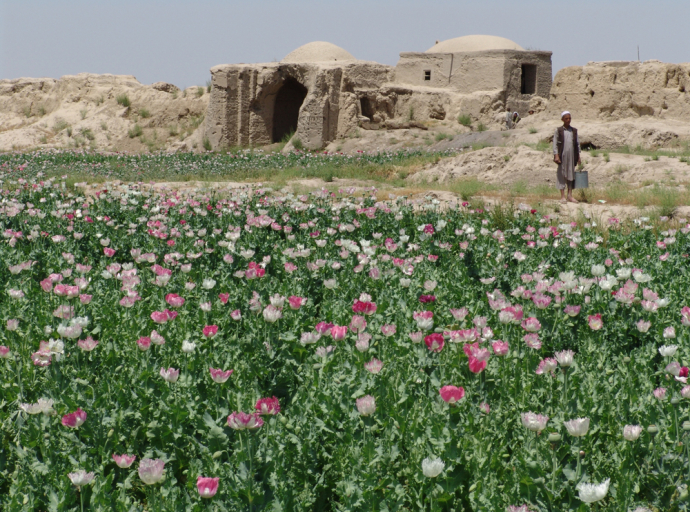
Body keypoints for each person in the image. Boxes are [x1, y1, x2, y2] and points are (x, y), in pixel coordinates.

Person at [553, 111, 581, 203]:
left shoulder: (574, 131)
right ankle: (562, 196)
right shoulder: (559, 130)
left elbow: (577, 144)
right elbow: (555, 144)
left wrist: (578, 156)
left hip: (571, 156)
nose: (568, 120)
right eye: (566, 119)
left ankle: (570, 195)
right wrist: (556, 155)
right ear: (562, 120)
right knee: (561, 175)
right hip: (562, 155)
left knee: (571, 175)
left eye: (569, 118)